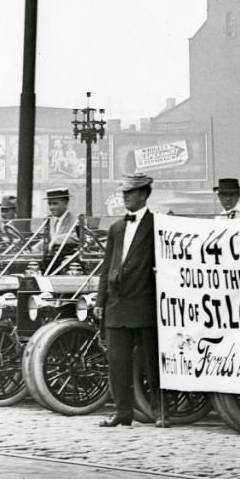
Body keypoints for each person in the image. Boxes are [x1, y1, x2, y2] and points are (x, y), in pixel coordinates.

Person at [94, 173, 162, 428]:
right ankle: (123, 412)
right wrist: (101, 300)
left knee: (151, 362)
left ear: (144, 194)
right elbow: (106, 266)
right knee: (117, 362)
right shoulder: (116, 228)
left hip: (144, 303)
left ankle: (159, 411)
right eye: (124, 192)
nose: (125, 196)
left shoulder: (156, 225)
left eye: (130, 192)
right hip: (117, 304)